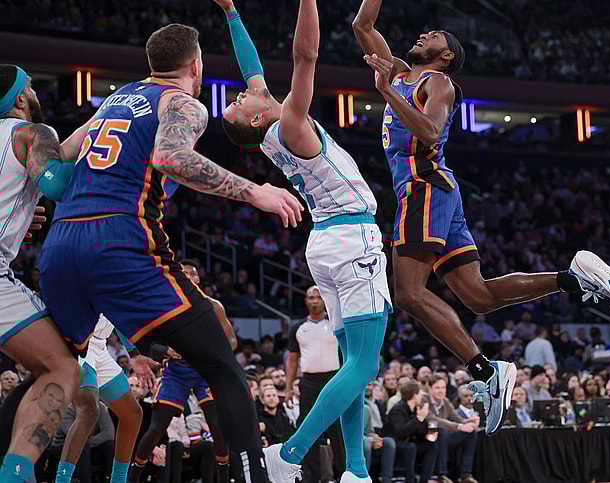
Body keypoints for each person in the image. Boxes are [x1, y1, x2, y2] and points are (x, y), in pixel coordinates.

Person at [37, 14, 304, 481]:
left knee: (53, 375)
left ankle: (14, 467)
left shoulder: (117, 98)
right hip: (119, 240)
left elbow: (60, 153)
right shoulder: (183, 104)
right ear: (196, 65)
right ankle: (254, 475)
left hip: (59, 246)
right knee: (222, 363)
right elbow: (171, 157)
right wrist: (254, 191)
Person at [352, 0, 610, 436]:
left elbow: (428, 132)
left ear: (447, 55)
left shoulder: (438, 82)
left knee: (408, 294)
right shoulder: (396, 71)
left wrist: (387, 92)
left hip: (424, 187)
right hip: (436, 194)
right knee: (479, 297)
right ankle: (572, 277)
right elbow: (363, 23)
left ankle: (484, 370)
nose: (425, 34)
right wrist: (388, 80)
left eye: (436, 36)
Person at [216, 0, 393, 480]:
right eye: (238, 101)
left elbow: (249, 65)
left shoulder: (268, 120)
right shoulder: (289, 122)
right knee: (364, 367)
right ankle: (288, 455)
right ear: (254, 120)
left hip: (325, 244)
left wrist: (232, 12)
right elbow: (306, 56)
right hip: (353, 238)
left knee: (351, 365)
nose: (242, 92)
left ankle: (356, 469)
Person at [0, 64, 84, 482]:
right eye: (31, 86)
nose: (35, 93)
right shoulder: (32, 133)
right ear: (19, 98)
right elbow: (56, 184)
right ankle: (17, 474)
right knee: (63, 368)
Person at [129, 261, 235, 483]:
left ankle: (223, 478)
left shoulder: (213, 306)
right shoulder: (164, 307)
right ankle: (133, 477)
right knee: (157, 427)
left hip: (204, 370)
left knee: (216, 424)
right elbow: (147, 343)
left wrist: (213, 350)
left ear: (198, 279)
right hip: (176, 371)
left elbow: (232, 341)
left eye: (192, 273)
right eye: (183, 273)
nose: (187, 276)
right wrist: (166, 350)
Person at [55, 316, 144, 483]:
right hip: (79, 343)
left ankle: (118, 480)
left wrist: (134, 353)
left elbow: (120, 315)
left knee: (133, 414)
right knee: (89, 411)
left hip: (100, 348)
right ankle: (62, 480)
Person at [281, 287, 346, 483]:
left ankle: (345, 475)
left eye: (318, 297)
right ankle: (310, 478)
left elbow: (347, 353)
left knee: (337, 430)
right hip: (308, 382)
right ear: (306, 301)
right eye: (311, 297)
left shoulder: (336, 323)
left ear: (324, 301)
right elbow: (292, 360)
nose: (315, 301)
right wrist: (288, 387)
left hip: (333, 380)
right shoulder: (298, 328)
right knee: (308, 429)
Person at [425, 375, 478, 483]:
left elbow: (458, 419)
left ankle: (465, 474)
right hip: (426, 436)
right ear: (430, 388)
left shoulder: (445, 401)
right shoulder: (424, 400)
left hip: (443, 439)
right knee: (443, 431)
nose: (441, 391)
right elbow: (433, 420)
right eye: (437, 388)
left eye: (443, 388)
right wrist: (460, 427)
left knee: (471, 432)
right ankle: (442, 474)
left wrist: (471, 422)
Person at [382, 380, 438, 483]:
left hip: (409, 442)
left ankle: (425, 479)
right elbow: (401, 432)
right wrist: (419, 419)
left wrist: (429, 433)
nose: (422, 396)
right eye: (420, 394)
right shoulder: (397, 409)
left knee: (431, 446)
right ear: (414, 395)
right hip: (395, 444)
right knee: (411, 447)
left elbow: (419, 432)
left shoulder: (415, 409)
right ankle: (410, 480)